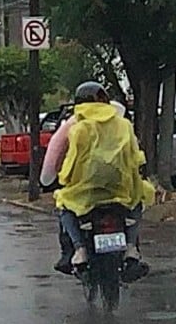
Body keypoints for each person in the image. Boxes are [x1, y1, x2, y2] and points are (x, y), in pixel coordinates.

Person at [43, 83, 152, 280]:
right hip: (120, 191)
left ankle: (79, 249)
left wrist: (47, 179)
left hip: (83, 193)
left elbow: (53, 157)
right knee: (137, 204)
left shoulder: (73, 125)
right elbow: (135, 155)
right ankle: (130, 248)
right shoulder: (123, 123)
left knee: (64, 208)